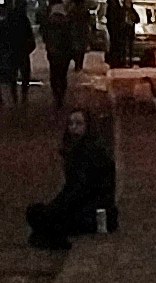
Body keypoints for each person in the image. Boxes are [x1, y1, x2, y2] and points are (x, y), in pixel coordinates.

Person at [28, 99, 120, 249]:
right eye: (71, 124)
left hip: (96, 212)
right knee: (38, 212)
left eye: (79, 124)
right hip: (81, 204)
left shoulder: (93, 151)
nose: (74, 128)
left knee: (53, 219)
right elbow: (71, 187)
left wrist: (57, 208)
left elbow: (83, 190)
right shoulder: (77, 150)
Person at [0, 0, 38, 106]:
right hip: (22, 51)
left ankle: (15, 96)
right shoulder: (23, 20)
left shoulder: (10, 18)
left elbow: (4, 34)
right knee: (24, 75)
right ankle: (22, 95)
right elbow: (30, 37)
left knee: (13, 75)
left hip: (14, 51)